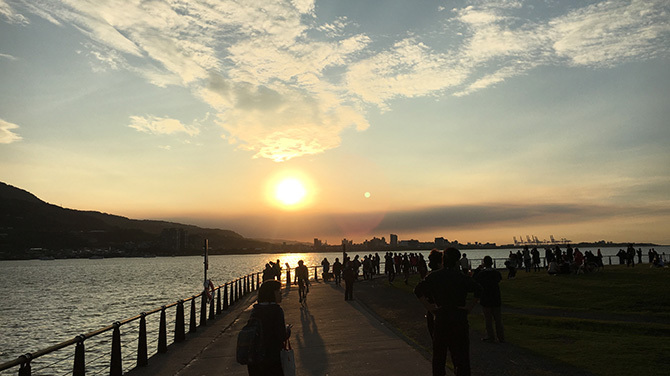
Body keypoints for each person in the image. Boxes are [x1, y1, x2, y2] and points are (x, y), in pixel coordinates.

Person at [414, 247, 482, 376]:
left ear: (443, 260)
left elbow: (418, 290)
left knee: (439, 357)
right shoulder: (461, 277)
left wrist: (430, 308)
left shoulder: (434, 276)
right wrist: (469, 307)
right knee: (461, 357)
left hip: (441, 318)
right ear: (457, 261)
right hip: (459, 318)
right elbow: (479, 289)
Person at [247, 280, 290, 376]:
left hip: (255, 358)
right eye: (279, 292)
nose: (281, 294)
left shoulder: (255, 310)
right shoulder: (276, 310)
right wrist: (288, 330)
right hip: (271, 358)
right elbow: (281, 335)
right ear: (272, 294)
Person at [474, 256, 505, 343]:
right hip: (495, 296)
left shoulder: (481, 274)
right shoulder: (496, 273)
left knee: (488, 319)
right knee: (498, 319)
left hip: (486, 297)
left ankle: (491, 336)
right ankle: (501, 336)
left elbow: (475, 280)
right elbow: (499, 279)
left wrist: (478, 269)